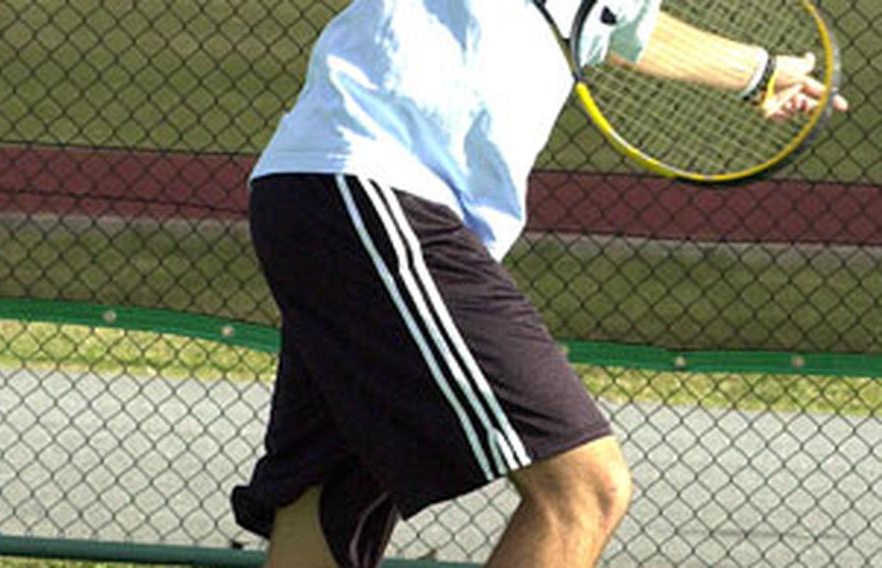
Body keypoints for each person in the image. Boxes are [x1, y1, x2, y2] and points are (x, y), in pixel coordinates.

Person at [230, 1, 848, 567]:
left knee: (327, 494)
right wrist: (757, 72)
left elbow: (617, 24)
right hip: (373, 188)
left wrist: (759, 73)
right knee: (586, 490)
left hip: (328, 192)